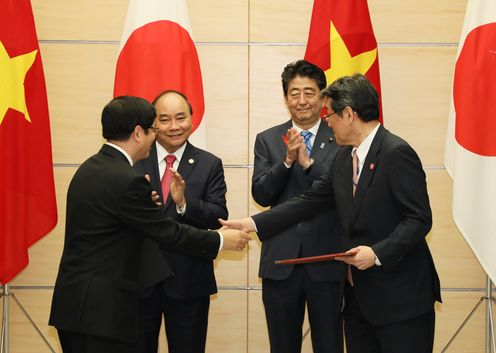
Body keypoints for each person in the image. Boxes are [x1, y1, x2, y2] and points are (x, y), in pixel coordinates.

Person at [222, 74, 441, 353]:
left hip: (400, 298)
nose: (326, 121)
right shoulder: (344, 157)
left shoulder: (396, 152)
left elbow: (419, 219)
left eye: (330, 114)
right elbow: (309, 200)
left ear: (349, 114)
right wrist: (252, 222)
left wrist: (376, 254)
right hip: (360, 298)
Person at [49, 96, 250, 353]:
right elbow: (166, 231)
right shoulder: (126, 178)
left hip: (79, 304)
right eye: (154, 128)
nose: (157, 135)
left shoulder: (91, 168)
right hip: (102, 309)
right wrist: (221, 240)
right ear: (137, 133)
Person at [251, 59, 344, 353]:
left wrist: (308, 163)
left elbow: (340, 191)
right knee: (282, 345)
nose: (302, 101)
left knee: (329, 344)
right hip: (281, 261)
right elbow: (262, 194)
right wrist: (287, 161)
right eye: (294, 93)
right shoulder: (267, 139)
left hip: (327, 259)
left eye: (309, 92)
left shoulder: (340, 136)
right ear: (285, 98)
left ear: (322, 97)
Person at [134, 90, 227, 353]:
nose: (174, 127)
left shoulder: (209, 164)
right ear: (153, 123)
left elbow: (218, 214)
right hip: (140, 280)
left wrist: (184, 203)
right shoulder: (135, 158)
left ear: (192, 119)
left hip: (188, 280)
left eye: (180, 117)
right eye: (164, 120)